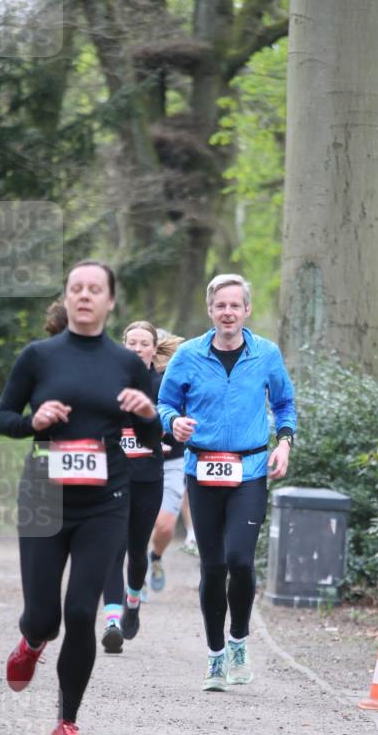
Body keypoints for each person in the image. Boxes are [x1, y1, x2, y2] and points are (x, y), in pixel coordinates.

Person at [0, 261, 161, 735]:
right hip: (44, 494)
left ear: (110, 301)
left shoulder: (127, 365)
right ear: (66, 299)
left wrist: (149, 414)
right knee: (44, 617)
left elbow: (149, 440)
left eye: (95, 290)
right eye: (76, 289)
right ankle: (32, 642)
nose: (84, 296)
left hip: (106, 501)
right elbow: (2, 417)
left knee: (83, 611)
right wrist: (32, 421)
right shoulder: (38, 357)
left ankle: (66, 722)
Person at [157, 273, 296, 691]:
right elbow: (165, 403)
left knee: (240, 560)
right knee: (213, 566)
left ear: (247, 310)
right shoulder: (187, 356)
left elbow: (286, 403)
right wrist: (173, 423)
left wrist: (284, 443)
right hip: (202, 471)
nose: (228, 312)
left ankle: (238, 642)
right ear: (210, 310)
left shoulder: (266, 354)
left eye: (235, 305)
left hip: (250, 472)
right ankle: (216, 657)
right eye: (221, 305)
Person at [101, 320, 168, 652]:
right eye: (132, 343)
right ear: (123, 346)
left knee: (136, 550)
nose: (138, 348)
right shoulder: (111, 381)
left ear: (154, 349)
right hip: (113, 477)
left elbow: (171, 424)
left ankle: (133, 601)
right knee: (113, 548)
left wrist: (166, 437)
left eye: (144, 343)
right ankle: (112, 620)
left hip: (148, 479)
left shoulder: (161, 384)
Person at [147, 331, 190, 592]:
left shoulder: (180, 379)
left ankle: (156, 557)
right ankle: (135, 569)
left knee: (164, 526)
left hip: (172, 460)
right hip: (137, 459)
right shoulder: (129, 379)